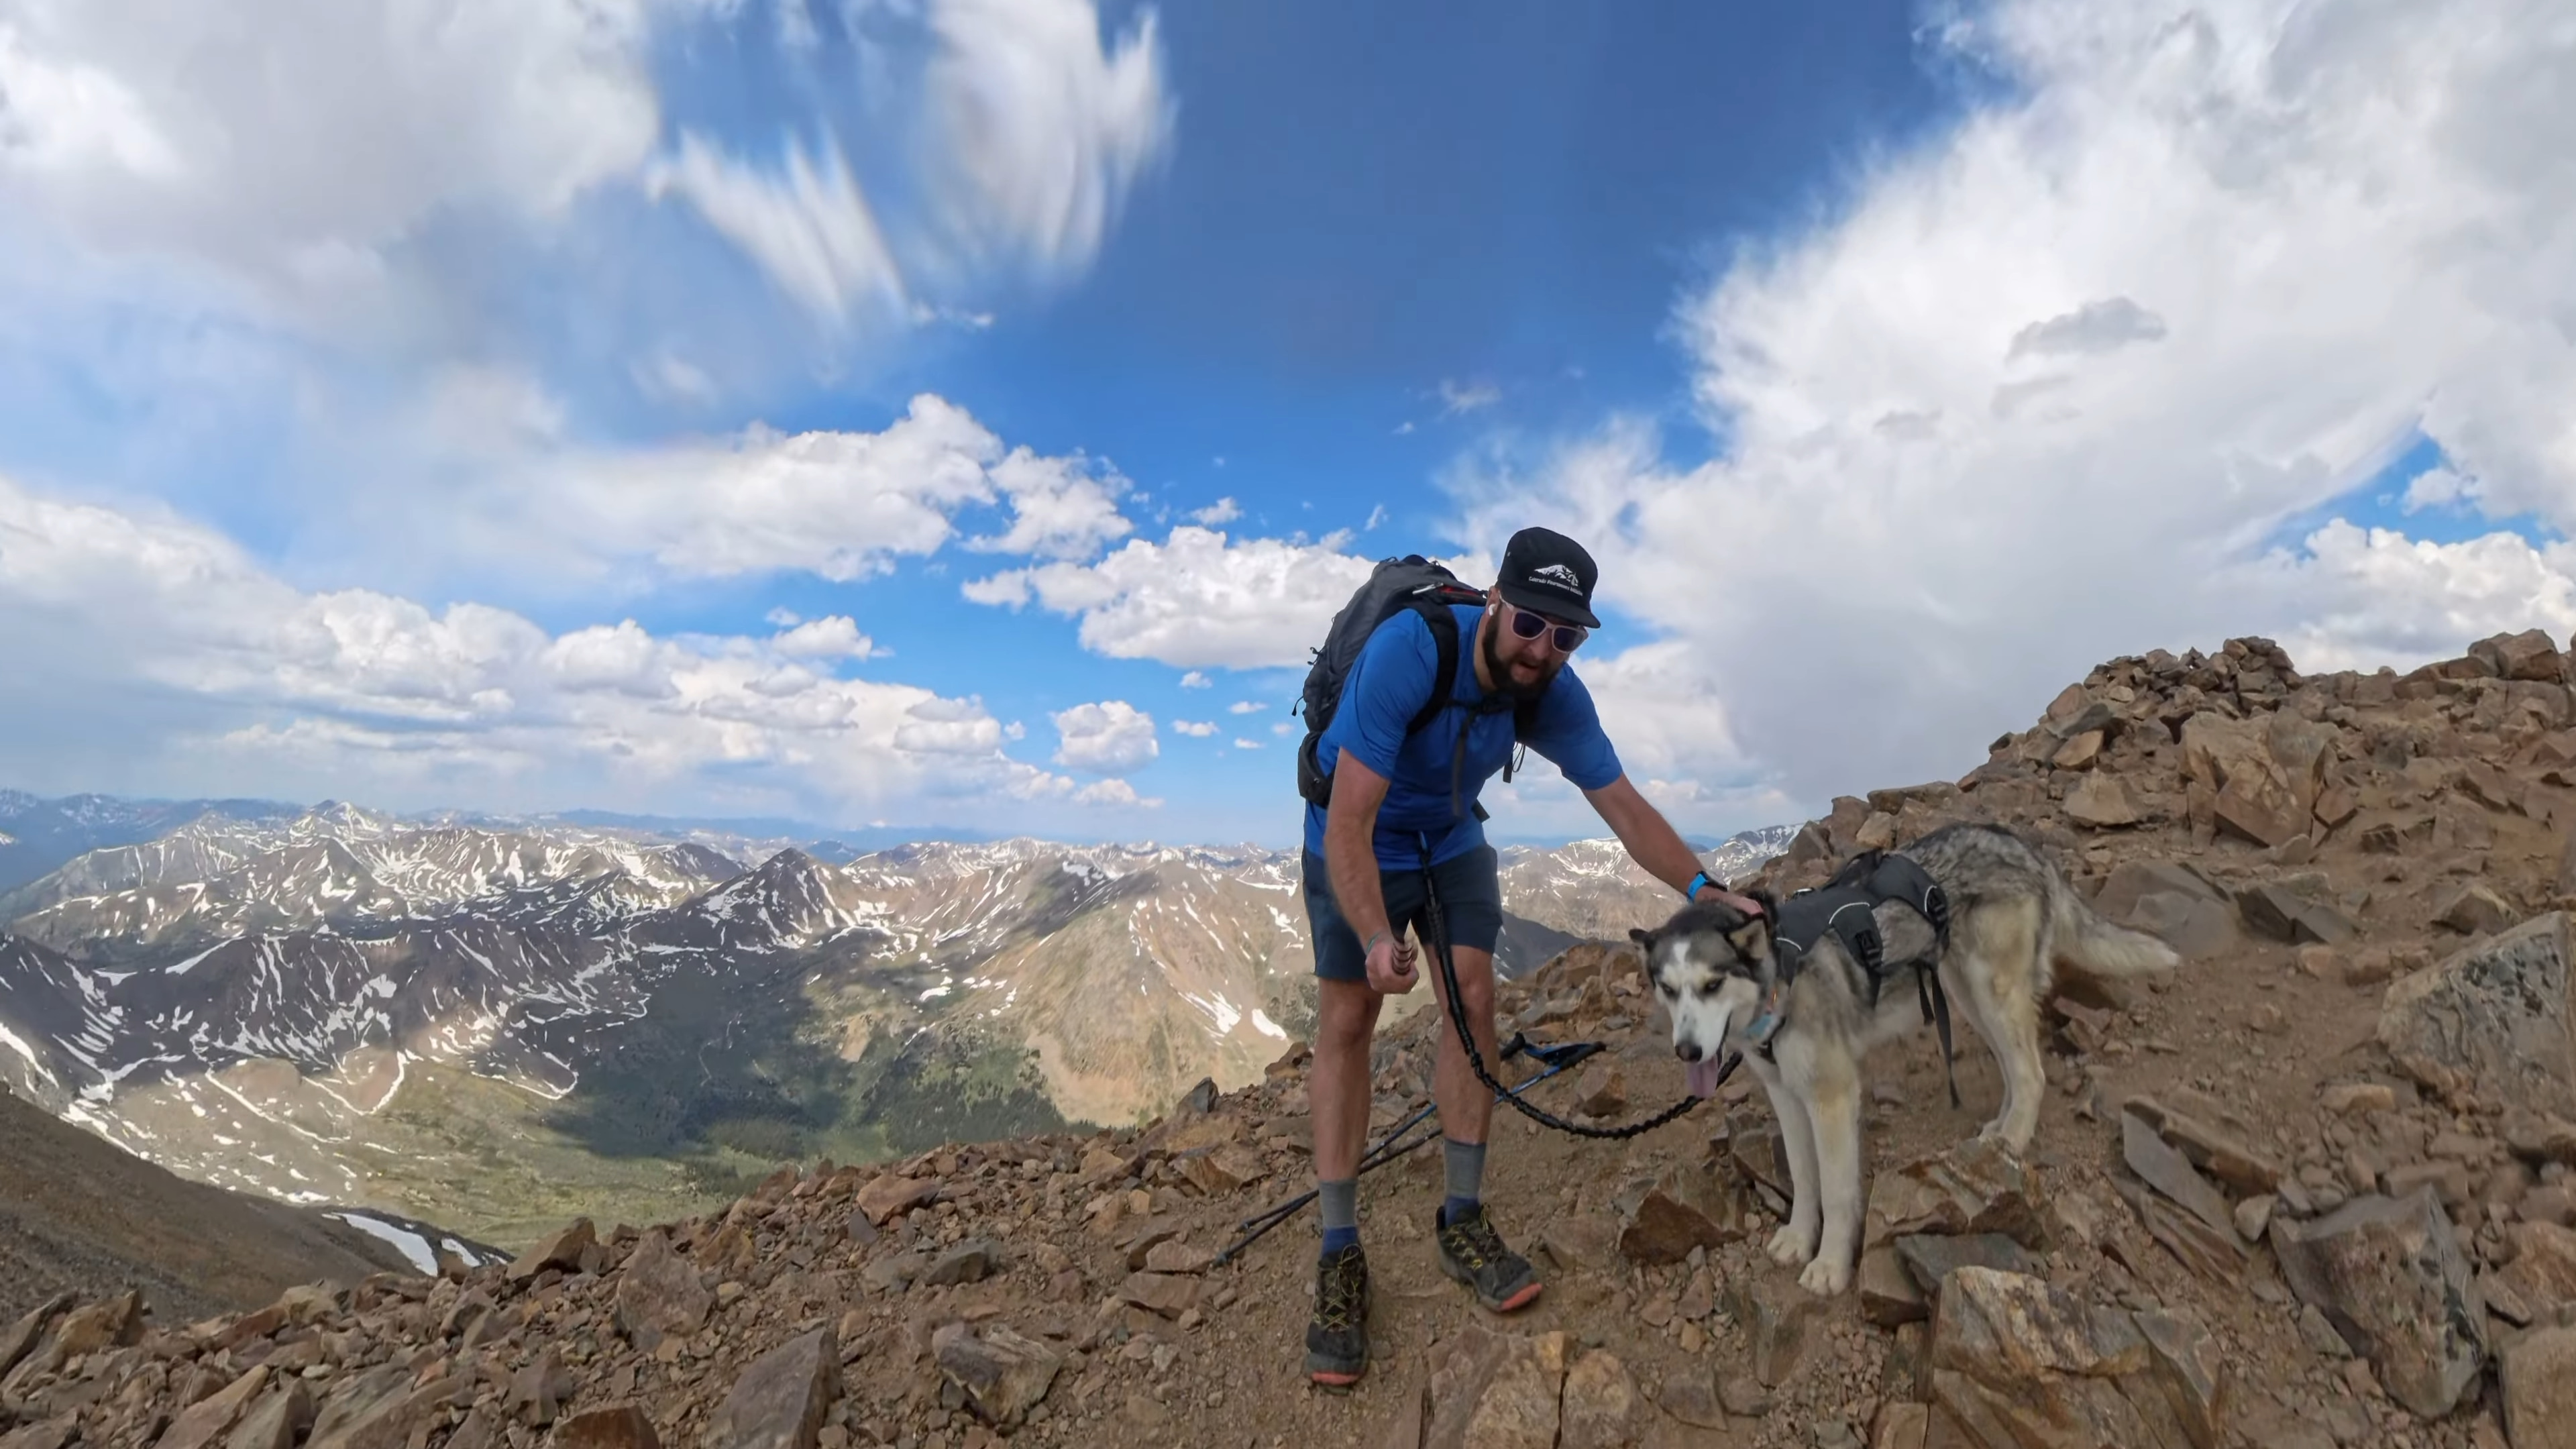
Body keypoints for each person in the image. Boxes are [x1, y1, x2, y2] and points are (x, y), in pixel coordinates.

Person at [1297, 524, 1764, 1387]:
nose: (1544, 648)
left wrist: (1703, 892)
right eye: (1531, 624)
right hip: (1354, 838)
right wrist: (1374, 937)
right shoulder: (1411, 650)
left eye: (1567, 635)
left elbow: (1622, 807)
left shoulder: (1550, 689)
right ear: (1495, 601)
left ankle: (1463, 1218)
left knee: (1474, 1003)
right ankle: (1338, 1252)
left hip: (1447, 837)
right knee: (1350, 1018)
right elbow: (1353, 822)